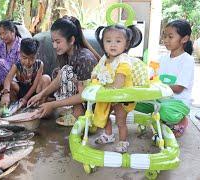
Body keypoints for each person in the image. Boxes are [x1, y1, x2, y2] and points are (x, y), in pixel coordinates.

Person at [27, 16, 100, 122]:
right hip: (80, 97)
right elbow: (60, 78)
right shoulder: (66, 54)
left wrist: (52, 105)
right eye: (53, 41)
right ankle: (75, 110)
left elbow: (84, 95)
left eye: (58, 41)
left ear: (71, 40)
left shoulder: (85, 59)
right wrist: (40, 95)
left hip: (93, 105)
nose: (54, 45)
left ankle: (82, 115)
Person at [91, 23, 143, 153]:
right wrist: (94, 78)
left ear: (126, 44)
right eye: (108, 41)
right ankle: (108, 135)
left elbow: (119, 82)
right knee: (105, 115)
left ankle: (123, 141)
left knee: (120, 120)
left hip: (121, 96)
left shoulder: (123, 61)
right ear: (103, 43)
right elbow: (96, 72)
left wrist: (109, 88)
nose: (113, 45)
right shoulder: (104, 58)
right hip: (107, 94)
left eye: (118, 41)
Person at [158, 20, 195, 137]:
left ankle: (181, 120)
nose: (165, 40)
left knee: (164, 111)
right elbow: (153, 77)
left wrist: (156, 85)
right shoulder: (162, 58)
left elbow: (178, 88)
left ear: (184, 39)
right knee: (134, 103)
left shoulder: (187, 60)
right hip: (161, 99)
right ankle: (163, 121)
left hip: (178, 101)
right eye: (164, 36)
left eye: (170, 37)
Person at [1, 38, 51, 108]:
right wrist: (6, 94)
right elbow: (8, 79)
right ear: (20, 54)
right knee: (11, 84)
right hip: (21, 91)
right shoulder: (16, 65)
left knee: (46, 78)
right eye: (24, 58)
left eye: (32, 58)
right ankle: (15, 106)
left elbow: (35, 85)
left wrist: (25, 98)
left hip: (34, 92)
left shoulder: (39, 64)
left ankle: (39, 106)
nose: (28, 62)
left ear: (36, 55)